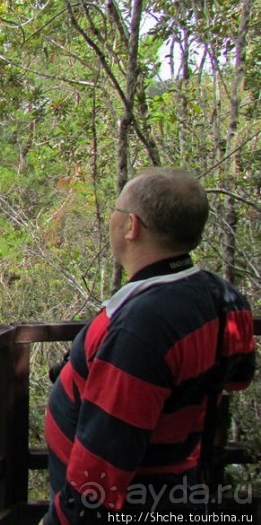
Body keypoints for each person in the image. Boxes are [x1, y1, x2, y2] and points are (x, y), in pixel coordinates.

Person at [42, 167, 256, 524]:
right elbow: (239, 376)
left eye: (116, 210)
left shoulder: (141, 330)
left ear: (132, 226)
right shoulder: (223, 296)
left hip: (135, 500)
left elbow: (99, 476)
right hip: (177, 486)